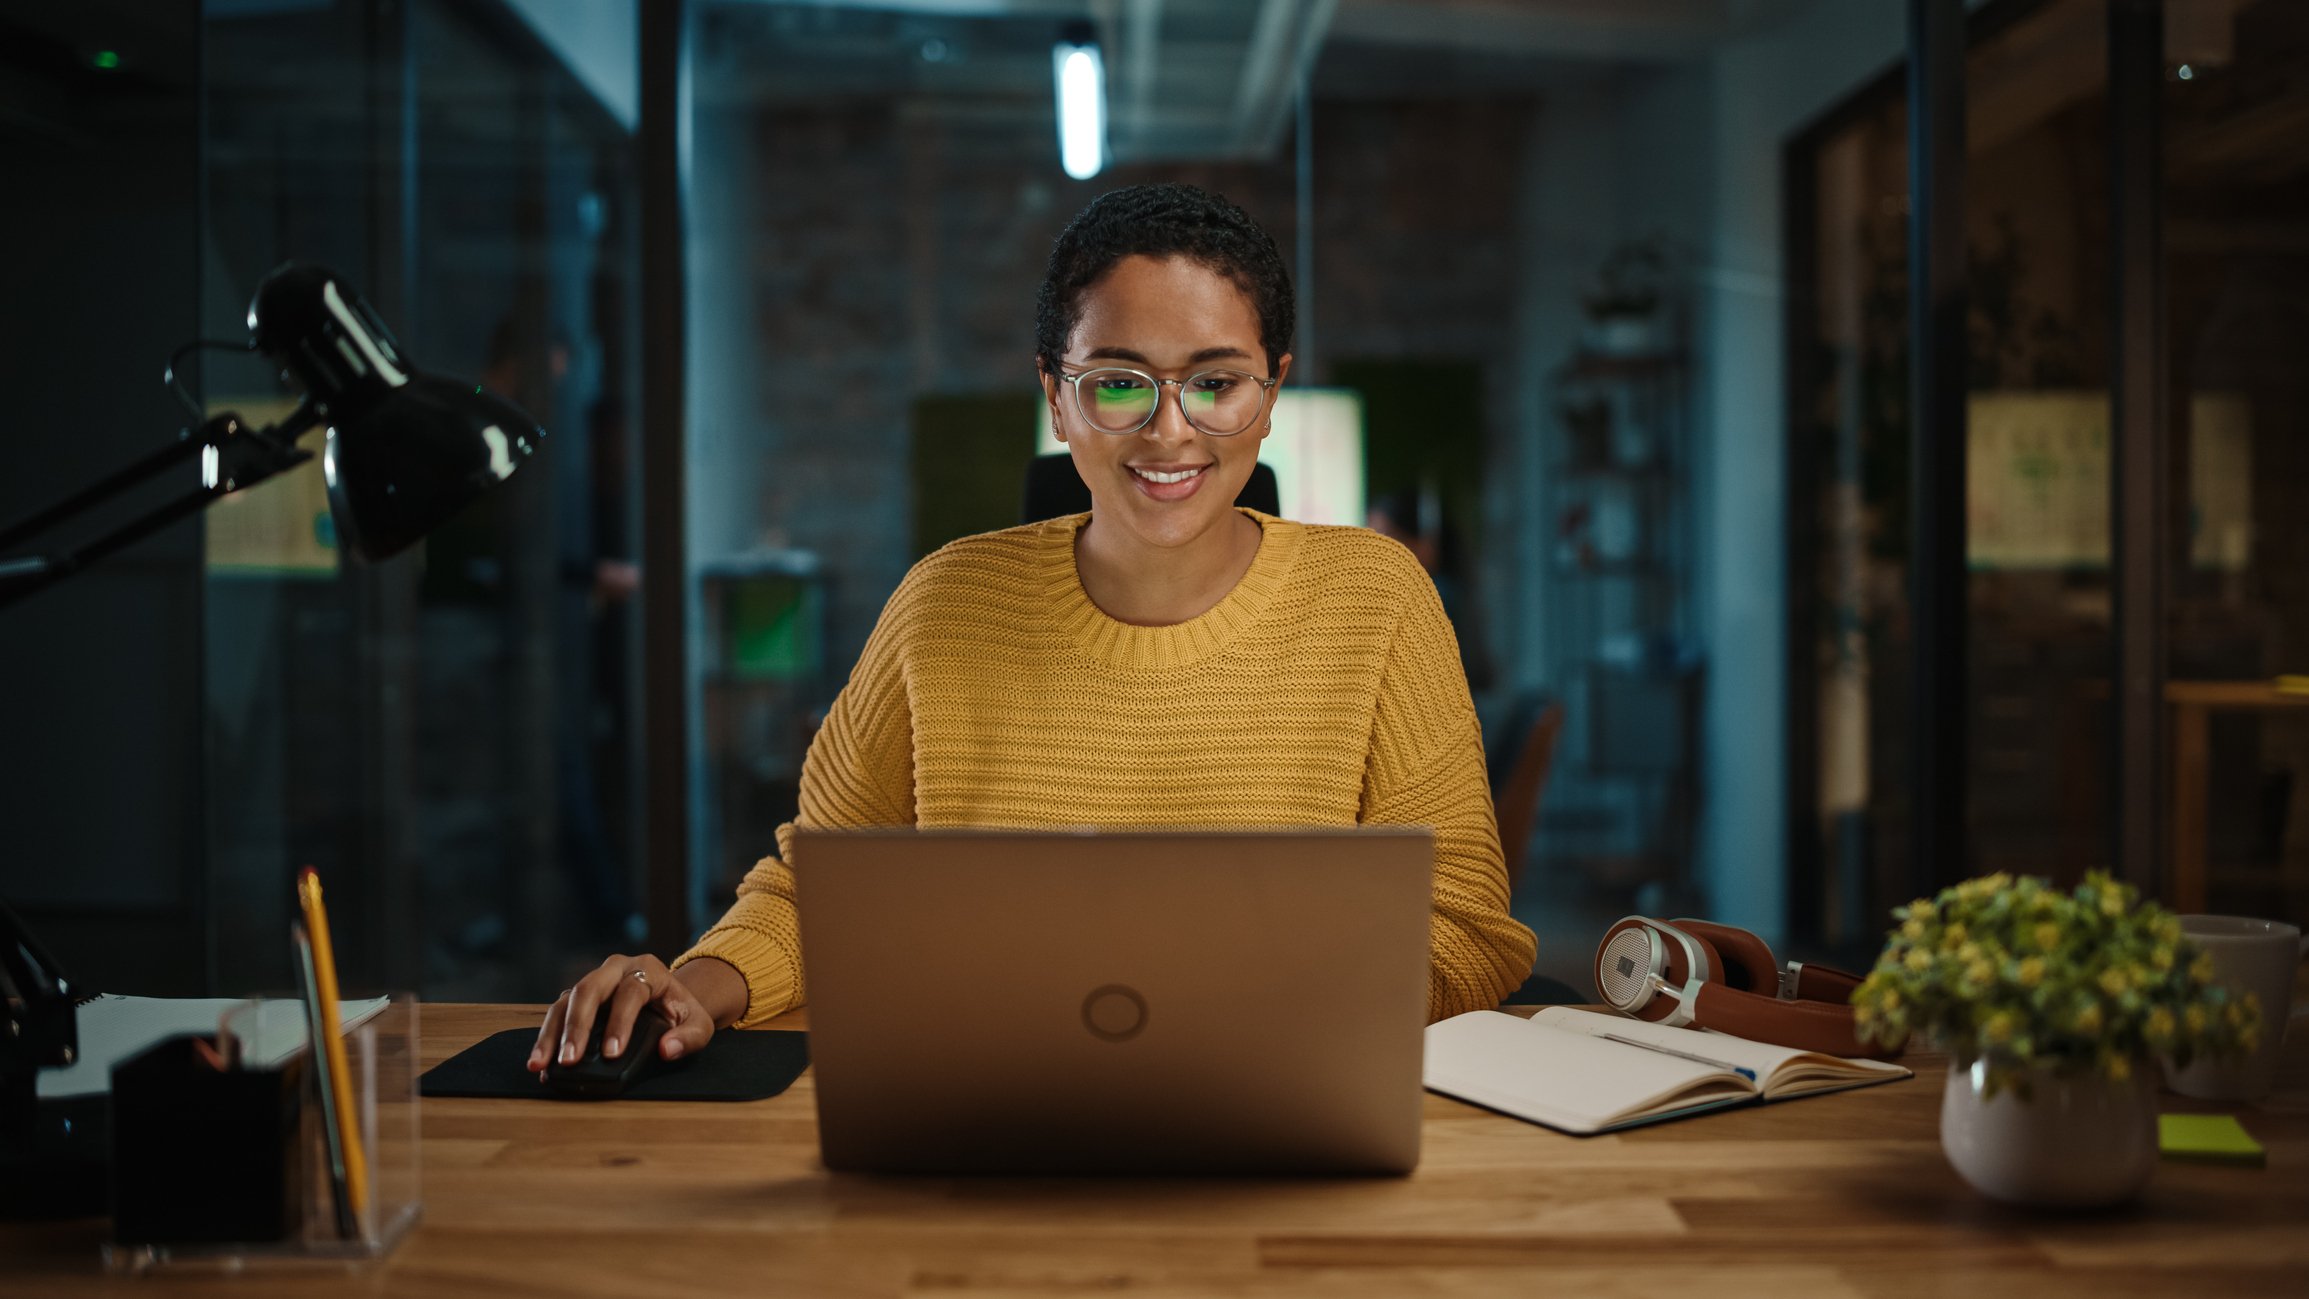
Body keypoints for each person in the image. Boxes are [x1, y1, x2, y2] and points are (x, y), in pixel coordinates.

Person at [531, 183, 1537, 1075]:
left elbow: (1463, 933)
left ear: (1269, 393)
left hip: (1280, 1107)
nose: (1169, 430)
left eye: (1216, 383)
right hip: (992, 1113)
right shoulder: (941, 604)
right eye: (1117, 381)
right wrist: (693, 987)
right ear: (1057, 397)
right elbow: (821, 889)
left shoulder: (1377, 599)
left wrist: (1239, 1012)